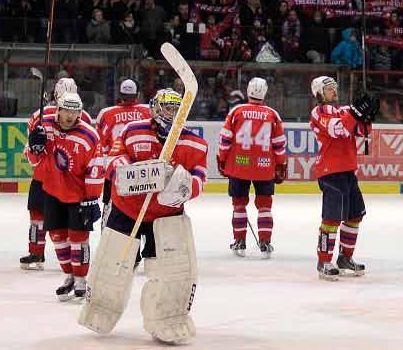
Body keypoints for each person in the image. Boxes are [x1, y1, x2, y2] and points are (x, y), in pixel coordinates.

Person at [79, 88, 208, 344]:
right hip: (128, 210)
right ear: (155, 108)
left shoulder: (195, 142)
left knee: (172, 270)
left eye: (176, 109)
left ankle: (167, 316)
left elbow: (200, 178)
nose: (171, 113)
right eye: (167, 108)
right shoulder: (132, 131)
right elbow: (113, 160)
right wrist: (130, 173)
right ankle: (100, 307)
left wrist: (185, 187)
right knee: (112, 263)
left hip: (167, 216)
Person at [26, 92, 103, 301]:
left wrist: (91, 197)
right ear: (58, 110)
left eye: (75, 111)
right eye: (66, 111)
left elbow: (96, 168)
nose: (70, 116)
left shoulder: (89, 135)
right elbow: (33, 161)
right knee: (58, 238)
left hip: (79, 196)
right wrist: (34, 146)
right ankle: (69, 276)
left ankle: (81, 280)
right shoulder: (45, 126)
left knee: (78, 239)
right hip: (52, 191)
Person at [20, 77, 93, 270]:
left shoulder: (40, 114)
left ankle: (37, 252)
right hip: (63, 178)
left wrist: (33, 148)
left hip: (48, 176)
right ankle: (73, 258)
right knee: (60, 219)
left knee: (39, 216)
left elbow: (30, 149)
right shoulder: (82, 115)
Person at [308, 76, 376, 280]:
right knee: (331, 218)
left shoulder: (345, 110)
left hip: (348, 170)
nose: (334, 91)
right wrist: (356, 113)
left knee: (355, 215)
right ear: (319, 92)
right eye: (329, 88)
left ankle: (345, 257)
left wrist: (367, 117)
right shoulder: (319, 111)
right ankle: (324, 260)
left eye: (336, 87)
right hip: (330, 171)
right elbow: (337, 130)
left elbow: (363, 134)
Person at [217, 77, 287, 258]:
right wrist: (281, 163)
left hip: (239, 165)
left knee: (238, 205)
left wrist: (222, 158)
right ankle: (265, 242)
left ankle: (239, 241)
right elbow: (279, 143)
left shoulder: (236, 112)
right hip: (264, 168)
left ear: (248, 90)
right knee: (265, 206)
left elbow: (225, 139)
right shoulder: (273, 114)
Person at [95, 79, 150, 223]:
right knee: (144, 212)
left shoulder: (106, 114)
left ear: (119, 94)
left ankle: (107, 239)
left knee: (110, 210)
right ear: (137, 95)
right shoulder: (148, 111)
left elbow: (98, 146)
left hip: (114, 172)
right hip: (142, 172)